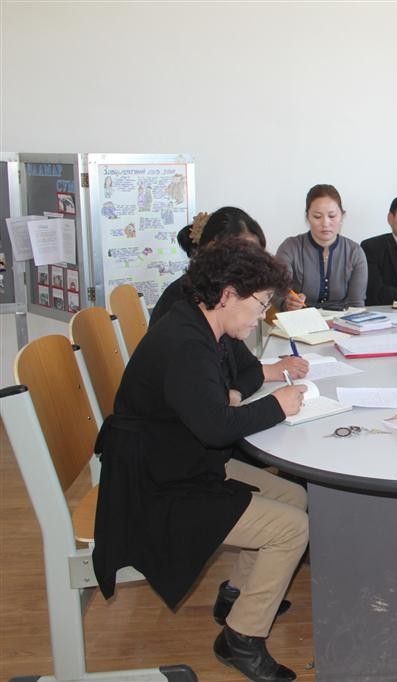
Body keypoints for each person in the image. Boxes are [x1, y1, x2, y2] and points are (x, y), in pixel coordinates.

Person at [93, 239, 312, 681]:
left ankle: (236, 596)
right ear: (228, 294)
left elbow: (214, 407)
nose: (261, 316)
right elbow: (216, 428)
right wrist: (278, 405)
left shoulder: (199, 323)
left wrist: (229, 401)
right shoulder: (187, 343)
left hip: (176, 459)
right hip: (154, 485)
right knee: (293, 529)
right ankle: (241, 639)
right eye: (260, 304)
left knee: (293, 497)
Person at [152, 208, 307, 394]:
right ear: (216, 252)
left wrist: (239, 390)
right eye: (245, 258)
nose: (253, 268)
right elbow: (211, 392)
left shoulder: (227, 308)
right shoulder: (189, 306)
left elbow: (243, 369)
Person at [276, 184, 367, 311]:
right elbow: (278, 294)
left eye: (332, 216)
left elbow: (356, 304)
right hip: (300, 318)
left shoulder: (354, 252)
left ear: (342, 216)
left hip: (343, 320)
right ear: (307, 217)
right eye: (317, 217)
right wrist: (287, 303)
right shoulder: (290, 248)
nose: (325, 223)